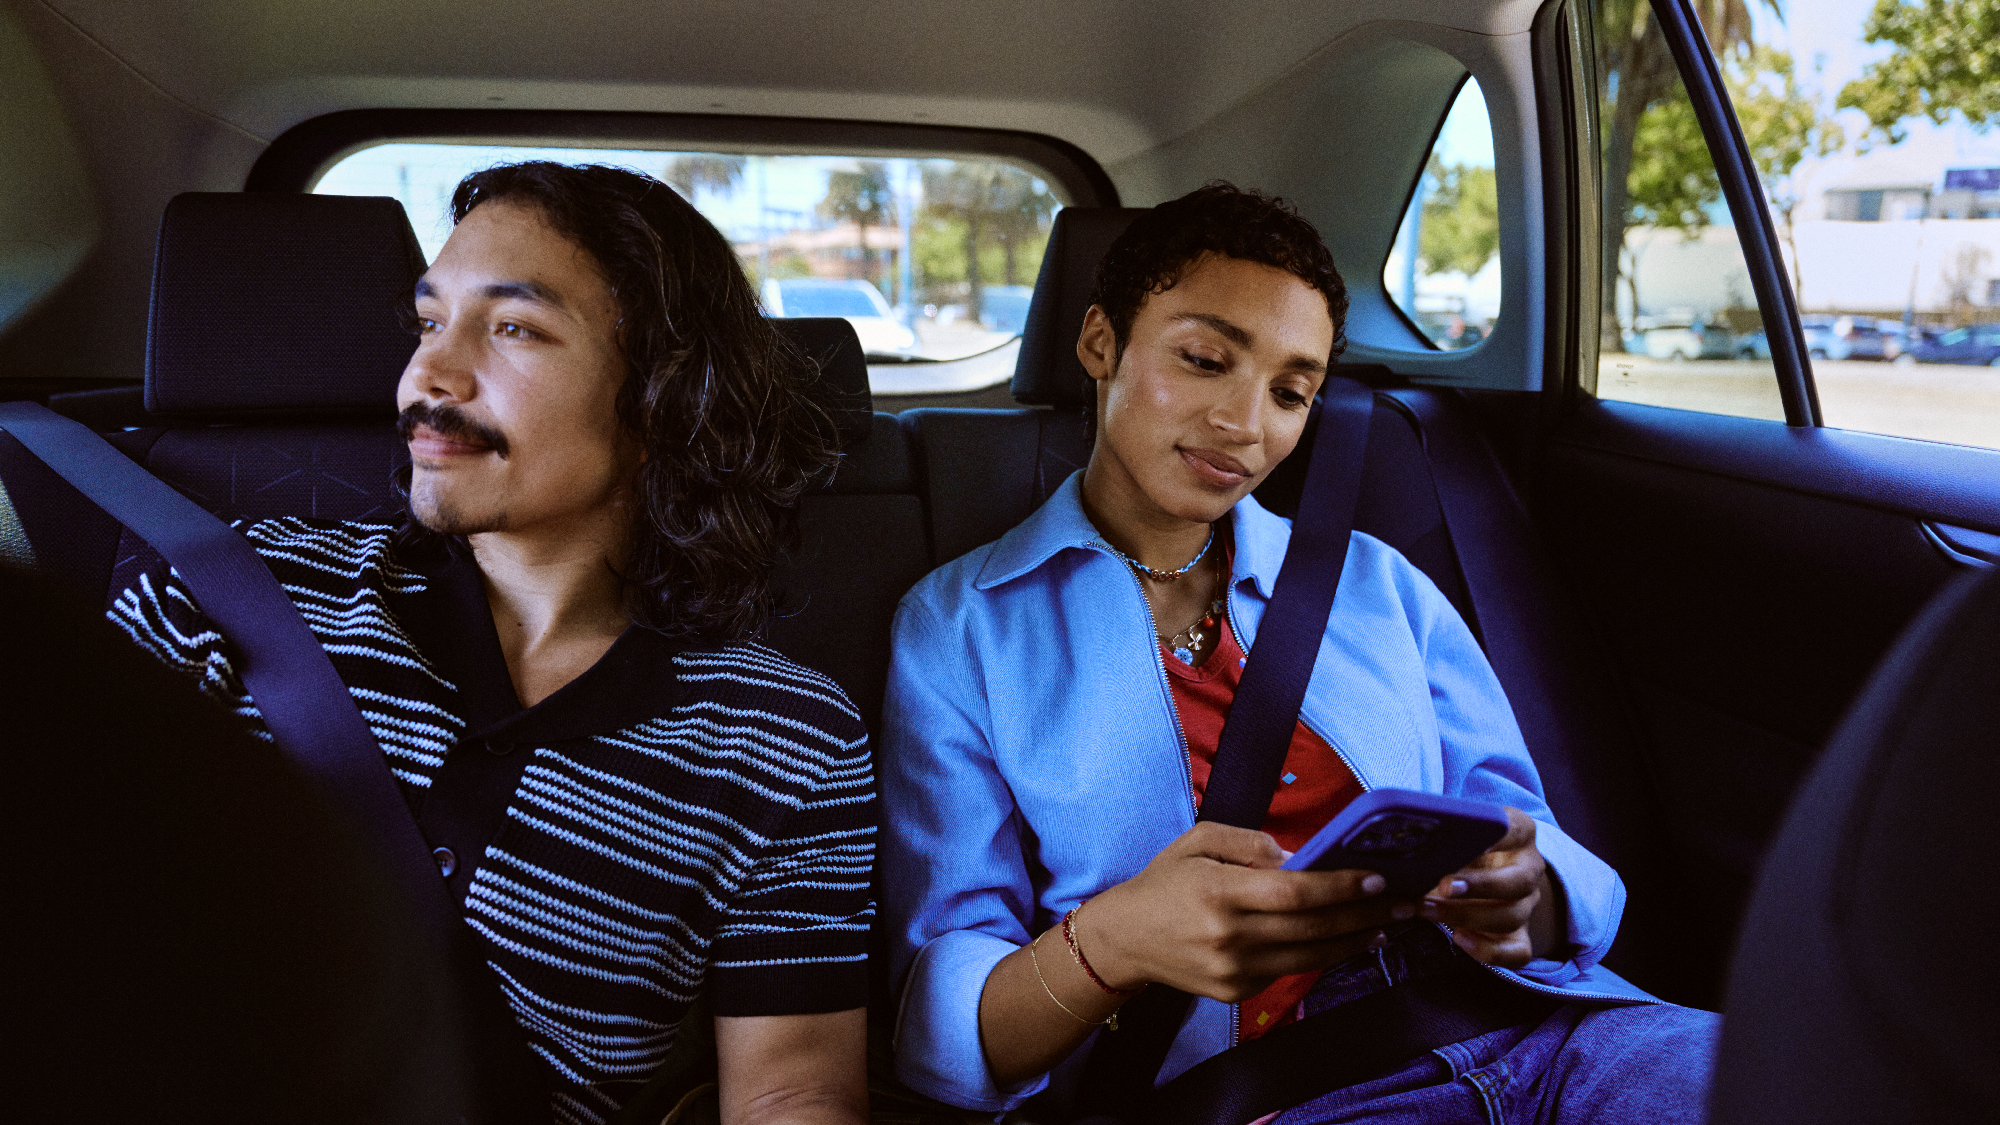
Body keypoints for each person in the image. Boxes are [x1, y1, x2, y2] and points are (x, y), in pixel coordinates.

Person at [879, 184, 1717, 1123]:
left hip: (1543, 1028)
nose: (1246, 424)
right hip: (1268, 1091)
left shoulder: (1374, 583)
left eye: (1291, 393)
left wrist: (1532, 895)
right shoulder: (964, 624)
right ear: (1100, 343)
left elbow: (1523, 824)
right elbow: (948, 1029)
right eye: (1204, 359)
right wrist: (1115, 940)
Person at [108, 163, 872, 1125]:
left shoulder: (789, 738)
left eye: (512, 328)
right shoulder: (226, 594)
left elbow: (790, 1091)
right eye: (430, 322)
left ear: (659, 402)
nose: (429, 375)